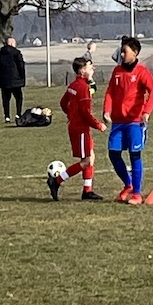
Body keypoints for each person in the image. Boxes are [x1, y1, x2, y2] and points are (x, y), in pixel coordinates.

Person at [102, 36, 153, 205]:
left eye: (125, 51)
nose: (122, 54)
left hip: (135, 122)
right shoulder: (117, 71)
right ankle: (128, 184)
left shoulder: (142, 72)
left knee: (135, 155)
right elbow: (110, 92)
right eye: (121, 51)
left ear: (135, 53)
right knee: (113, 153)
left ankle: (137, 193)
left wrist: (146, 111)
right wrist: (107, 110)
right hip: (118, 122)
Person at [51, 57, 106, 200]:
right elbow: (85, 113)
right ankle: (56, 181)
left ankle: (87, 191)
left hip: (77, 127)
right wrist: (98, 125)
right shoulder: (83, 88)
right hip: (81, 129)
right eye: (89, 67)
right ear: (82, 71)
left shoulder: (74, 85)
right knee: (87, 161)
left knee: (90, 156)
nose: (92, 69)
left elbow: (63, 103)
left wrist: (71, 115)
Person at [0, 36, 27, 124]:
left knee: (5, 99)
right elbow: (21, 66)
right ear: (12, 43)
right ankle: (18, 114)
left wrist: (1, 76)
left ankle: (7, 116)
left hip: (4, 80)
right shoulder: (16, 53)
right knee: (19, 98)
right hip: (16, 80)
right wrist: (22, 77)